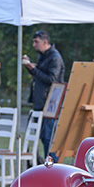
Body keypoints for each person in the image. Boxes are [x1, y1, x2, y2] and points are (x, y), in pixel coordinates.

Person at [23, 30, 64, 160]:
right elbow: (40, 74)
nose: (34, 45)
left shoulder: (54, 57)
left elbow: (52, 79)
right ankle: (45, 162)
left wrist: (33, 69)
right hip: (40, 102)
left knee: (48, 137)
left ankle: (53, 164)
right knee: (41, 135)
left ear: (45, 42)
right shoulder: (43, 55)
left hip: (50, 103)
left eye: (36, 42)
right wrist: (29, 66)